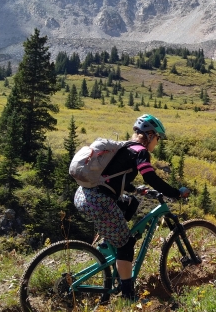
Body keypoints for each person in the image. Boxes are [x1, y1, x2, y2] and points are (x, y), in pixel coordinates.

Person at [74, 114, 189, 300]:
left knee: (130, 202)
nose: (157, 143)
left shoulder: (124, 147)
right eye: (157, 138)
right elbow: (150, 177)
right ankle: (128, 296)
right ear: (150, 135)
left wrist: (137, 190)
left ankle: (110, 241)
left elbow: (115, 178)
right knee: (126, 244)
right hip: (99, 201)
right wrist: (176, 193)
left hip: (83, 195)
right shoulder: (141, 152)